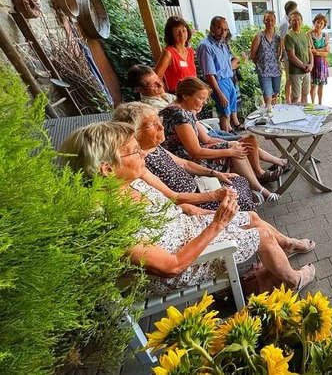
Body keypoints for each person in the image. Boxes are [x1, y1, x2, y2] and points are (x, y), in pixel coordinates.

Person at [59, 122, 316, 296]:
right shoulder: (108, 218)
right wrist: (218, 224)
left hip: (189, 234)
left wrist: (216, 214)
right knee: (263, 235)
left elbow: (176, 209)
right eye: (134, 152)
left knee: (250, 216)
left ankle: (284, 249)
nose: (142, 155)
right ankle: (292, 280)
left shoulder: (129, 184)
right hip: (184, 265)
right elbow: (170, 267)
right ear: (107, 169)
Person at [159, 77, 287, 203]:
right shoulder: (179, 115)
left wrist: (229, 144)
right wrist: (228, 151)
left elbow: (207, 138)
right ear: (186, 96)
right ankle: (257, 187)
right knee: (235, 150)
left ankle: (256, 183)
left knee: (236, 145)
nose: (205, 103)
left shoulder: (186, 110)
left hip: (195, 153)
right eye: (201, 98)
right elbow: (195, 152)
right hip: (185, 160)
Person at [113, 101, 257, 212]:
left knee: (238, 180)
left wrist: (215, 173)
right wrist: (214, 195)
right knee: (240, 198)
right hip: (193, 200)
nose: (161, 127)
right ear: (134, 132)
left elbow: (184, 164)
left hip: (199, 186)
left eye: (159, 121)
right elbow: (172, 197)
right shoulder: (138, 161)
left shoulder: (153, 147)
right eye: (152, 125)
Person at [196, 16, 242, 132]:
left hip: (228, 80)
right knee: (225, 114)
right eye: (219, 28)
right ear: (211, 28)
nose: (223, 33)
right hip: (218, 82)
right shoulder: (206, 46)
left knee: (229, 112)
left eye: (225, 30)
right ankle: (226, 141)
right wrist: (220, 94)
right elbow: (209, 74)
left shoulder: (222, 44)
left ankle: (227, 137)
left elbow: (230, 63)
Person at [154, 16, 197, 93]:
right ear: (170, 34)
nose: (181, 34)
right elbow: (157, 76)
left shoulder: (190, 51)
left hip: (193, 93)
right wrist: (166, 94)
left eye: (184, 31)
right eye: (177, 31)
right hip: (177, 95)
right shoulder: (168, 52)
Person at [250, 10, 282, 107]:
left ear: (275, 21)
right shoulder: (259, 37)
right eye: (267, 20)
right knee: (268, 98)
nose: (270, 23)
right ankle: (268, 116)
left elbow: (281, 54)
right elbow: (253, 55)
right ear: (264, 21)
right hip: (264, 72)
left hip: (276, 71)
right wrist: (261, 65)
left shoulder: (278, 38)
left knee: (275, 96)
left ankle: (274, 116)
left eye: (272, 20)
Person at [284, 10, 313, 104]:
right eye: (294, 20)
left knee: (305, 94)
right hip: (296, 72)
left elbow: (310, 52)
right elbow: (291, 56)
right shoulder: (289, 36)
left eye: (299, 20)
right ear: (290, 22)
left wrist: (311, 65)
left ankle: (305, 115)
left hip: (307, 71)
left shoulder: (304, 35)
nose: (297, 22)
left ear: (302, 21)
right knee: (296, 97)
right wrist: (305, 66)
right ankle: (294, 115)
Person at [307, 13, 330, 105]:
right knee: (313, 85)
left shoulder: (325, 35)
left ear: (324, 25)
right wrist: (323, 50)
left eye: (321, 23)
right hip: (314, 62)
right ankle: (313, 104)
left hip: (323, 63)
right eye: (318, 22)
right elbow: (311, 50)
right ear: (314, 22)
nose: (319, 25)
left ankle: (320, 104)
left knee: (321, 85)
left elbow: (327, 52)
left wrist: (318, 52)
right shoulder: (309, 34)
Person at [279, 0, 297, 103]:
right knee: (289, 78)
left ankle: (289, 99)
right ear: (291, 10)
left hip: (288, 55)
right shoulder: (285, 23)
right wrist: (282, 55)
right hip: (287, 55)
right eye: (295, 9)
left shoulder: (287, 22)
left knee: (290, 78)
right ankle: (288, 100)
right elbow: (282, 40)